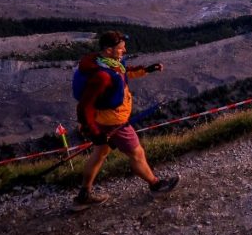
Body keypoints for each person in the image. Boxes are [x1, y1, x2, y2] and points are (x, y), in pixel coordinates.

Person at [72, 30, 179, 208]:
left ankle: (83, 196)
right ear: (108, 50)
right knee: (137, 154)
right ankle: (156, 185)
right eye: (121, 48)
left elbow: (124, 74)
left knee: (99, 154)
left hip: (103, 121)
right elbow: (84, 107)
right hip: (114, 123)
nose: (125, 50)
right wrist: (95, 132)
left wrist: (147, 70)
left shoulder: (108, 64)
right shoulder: (102, 77)